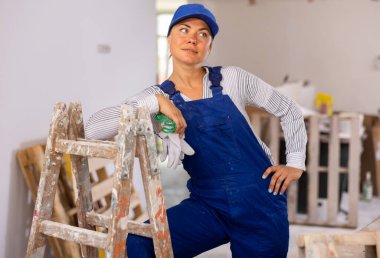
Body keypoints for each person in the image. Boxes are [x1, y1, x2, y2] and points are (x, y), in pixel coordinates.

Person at [85, 3, 307, 258]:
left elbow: (288, 108)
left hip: (259, 202)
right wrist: (155, 103)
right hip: (208, 205)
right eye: (184, 30)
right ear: (169, 38)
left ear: (209, 46)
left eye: (203, 34)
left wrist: (296, 163)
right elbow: (93, 129)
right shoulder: (154, 98)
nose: (193, 39)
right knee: (138, 241)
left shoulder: (231, 79)